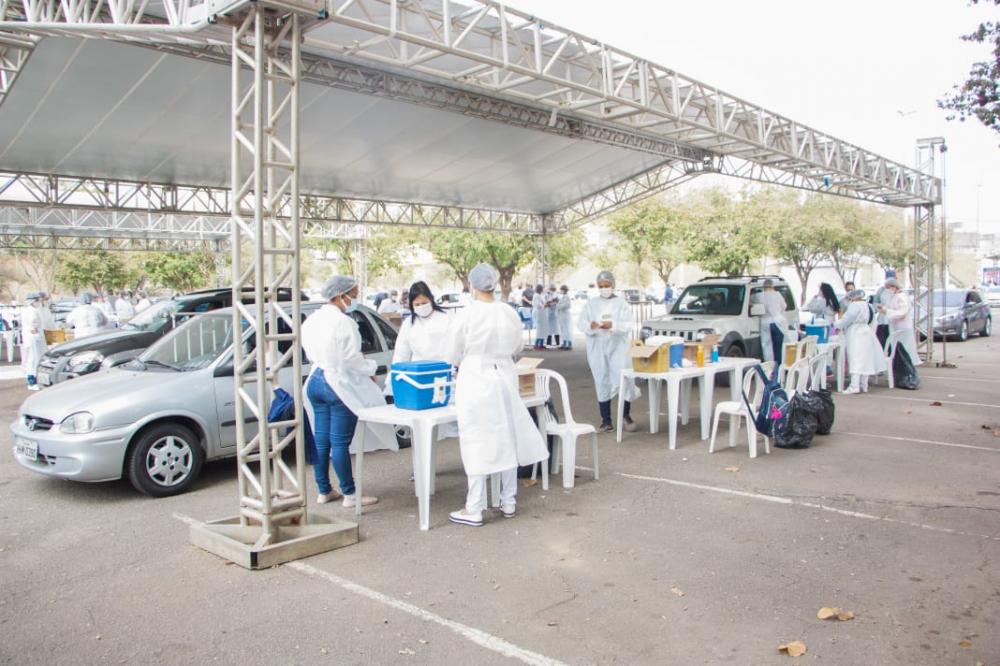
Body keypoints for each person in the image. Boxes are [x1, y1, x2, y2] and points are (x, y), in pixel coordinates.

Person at [444, 263, 548, 527]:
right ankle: (509, 500)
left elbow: (452, 352)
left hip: (476, 375)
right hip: (504, 372)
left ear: (473, 285)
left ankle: (475, 506)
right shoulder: (508, 312)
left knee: (476, 438)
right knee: (507, 435)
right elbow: (517, 345)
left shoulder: (467, 314)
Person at [301, 275, 391, 509]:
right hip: (337, 383)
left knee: (321, 440)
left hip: (315, 380)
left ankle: (324, 490)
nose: (355, 299)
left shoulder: (312, 319)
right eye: (354, 294)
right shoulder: (345, 323)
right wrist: (370, 369)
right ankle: (350, 494)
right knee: (340, 443)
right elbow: (352, 358)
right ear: (341, 296)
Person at [579, 270, 640, 433]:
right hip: (597, 347)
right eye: (601, 286)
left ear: (613, 285)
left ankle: (626, 415)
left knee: (623, 379)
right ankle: (606, 420)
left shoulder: (622, 304)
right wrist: (591, 326)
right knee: (601, 379)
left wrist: (612, 325)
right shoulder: (591, 304)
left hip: (618, 346)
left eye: (607, 285)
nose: (604, 288)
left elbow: (628, 324)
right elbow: (581, 323)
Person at [835, 289, 886, 394]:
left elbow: (847, 319)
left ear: (852, 297)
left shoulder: (854, 306)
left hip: (856, 333)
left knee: (855, 358)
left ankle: (854, 386)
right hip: (867, 332)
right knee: (865, 359)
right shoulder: (868, 305)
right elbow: (873, 321)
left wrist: (836, 325)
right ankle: (864, 385)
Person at [877, 277, 922, 380]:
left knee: (904, 350)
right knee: (898, 350)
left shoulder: (901, 297)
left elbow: (901, 312)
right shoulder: (895, 296)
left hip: (903, 328)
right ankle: (901, 371)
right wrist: (885, 310)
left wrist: (887, 311)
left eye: (889, 287)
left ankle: (908, 372)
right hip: (896, 326)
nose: (888, 290)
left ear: (894, 287)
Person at [752, 279, 787, 363]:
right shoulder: (777, 294)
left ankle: (769, 367)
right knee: (778, 347)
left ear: (763, 286)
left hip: (765, 322)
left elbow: (751, 303)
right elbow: (784, 306)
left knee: (766, 346)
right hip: (778, 322)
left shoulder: (759, 296)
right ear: (772, 286)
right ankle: (778, 367)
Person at [19, 293, 47, 391]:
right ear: (33, 301)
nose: (39, 302)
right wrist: (36, 333)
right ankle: (32, 382)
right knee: (33, 360)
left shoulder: (27, 311)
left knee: (32, 359)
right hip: (33, 339)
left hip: (31, 339)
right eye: (37, 300)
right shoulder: (32, 312)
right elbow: (33, 325)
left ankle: (33, 381)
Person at [873, 271, 896, 347]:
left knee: (893, 345)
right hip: (882, 321)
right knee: (881, 344)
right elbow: (875, 304)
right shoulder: (881, 290)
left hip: (894, 322)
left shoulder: (898, 291)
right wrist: (879, 307)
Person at [531, 284, 548, 350]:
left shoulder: (540, 295)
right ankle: (536, 345)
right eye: (543, 288)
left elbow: (543, 303)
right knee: (539, 330)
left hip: (542, 314)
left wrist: (546, 304)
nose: (544, 289)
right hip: (538, 313)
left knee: (542, 330)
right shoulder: (536, 295)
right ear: (540, 289)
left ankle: (540, 344)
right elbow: (538, 305)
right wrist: (544, 305)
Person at [556, 285, 573, 350]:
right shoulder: (563, 297)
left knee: (566, 330)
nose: (560, 291)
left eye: (561, 290)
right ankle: (565, 342)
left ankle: (568, 344)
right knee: (563, 330)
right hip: (562, 315)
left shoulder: (566, 297)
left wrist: (558, 305)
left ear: (564, 290)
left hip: (565, 315)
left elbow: (566, 305)